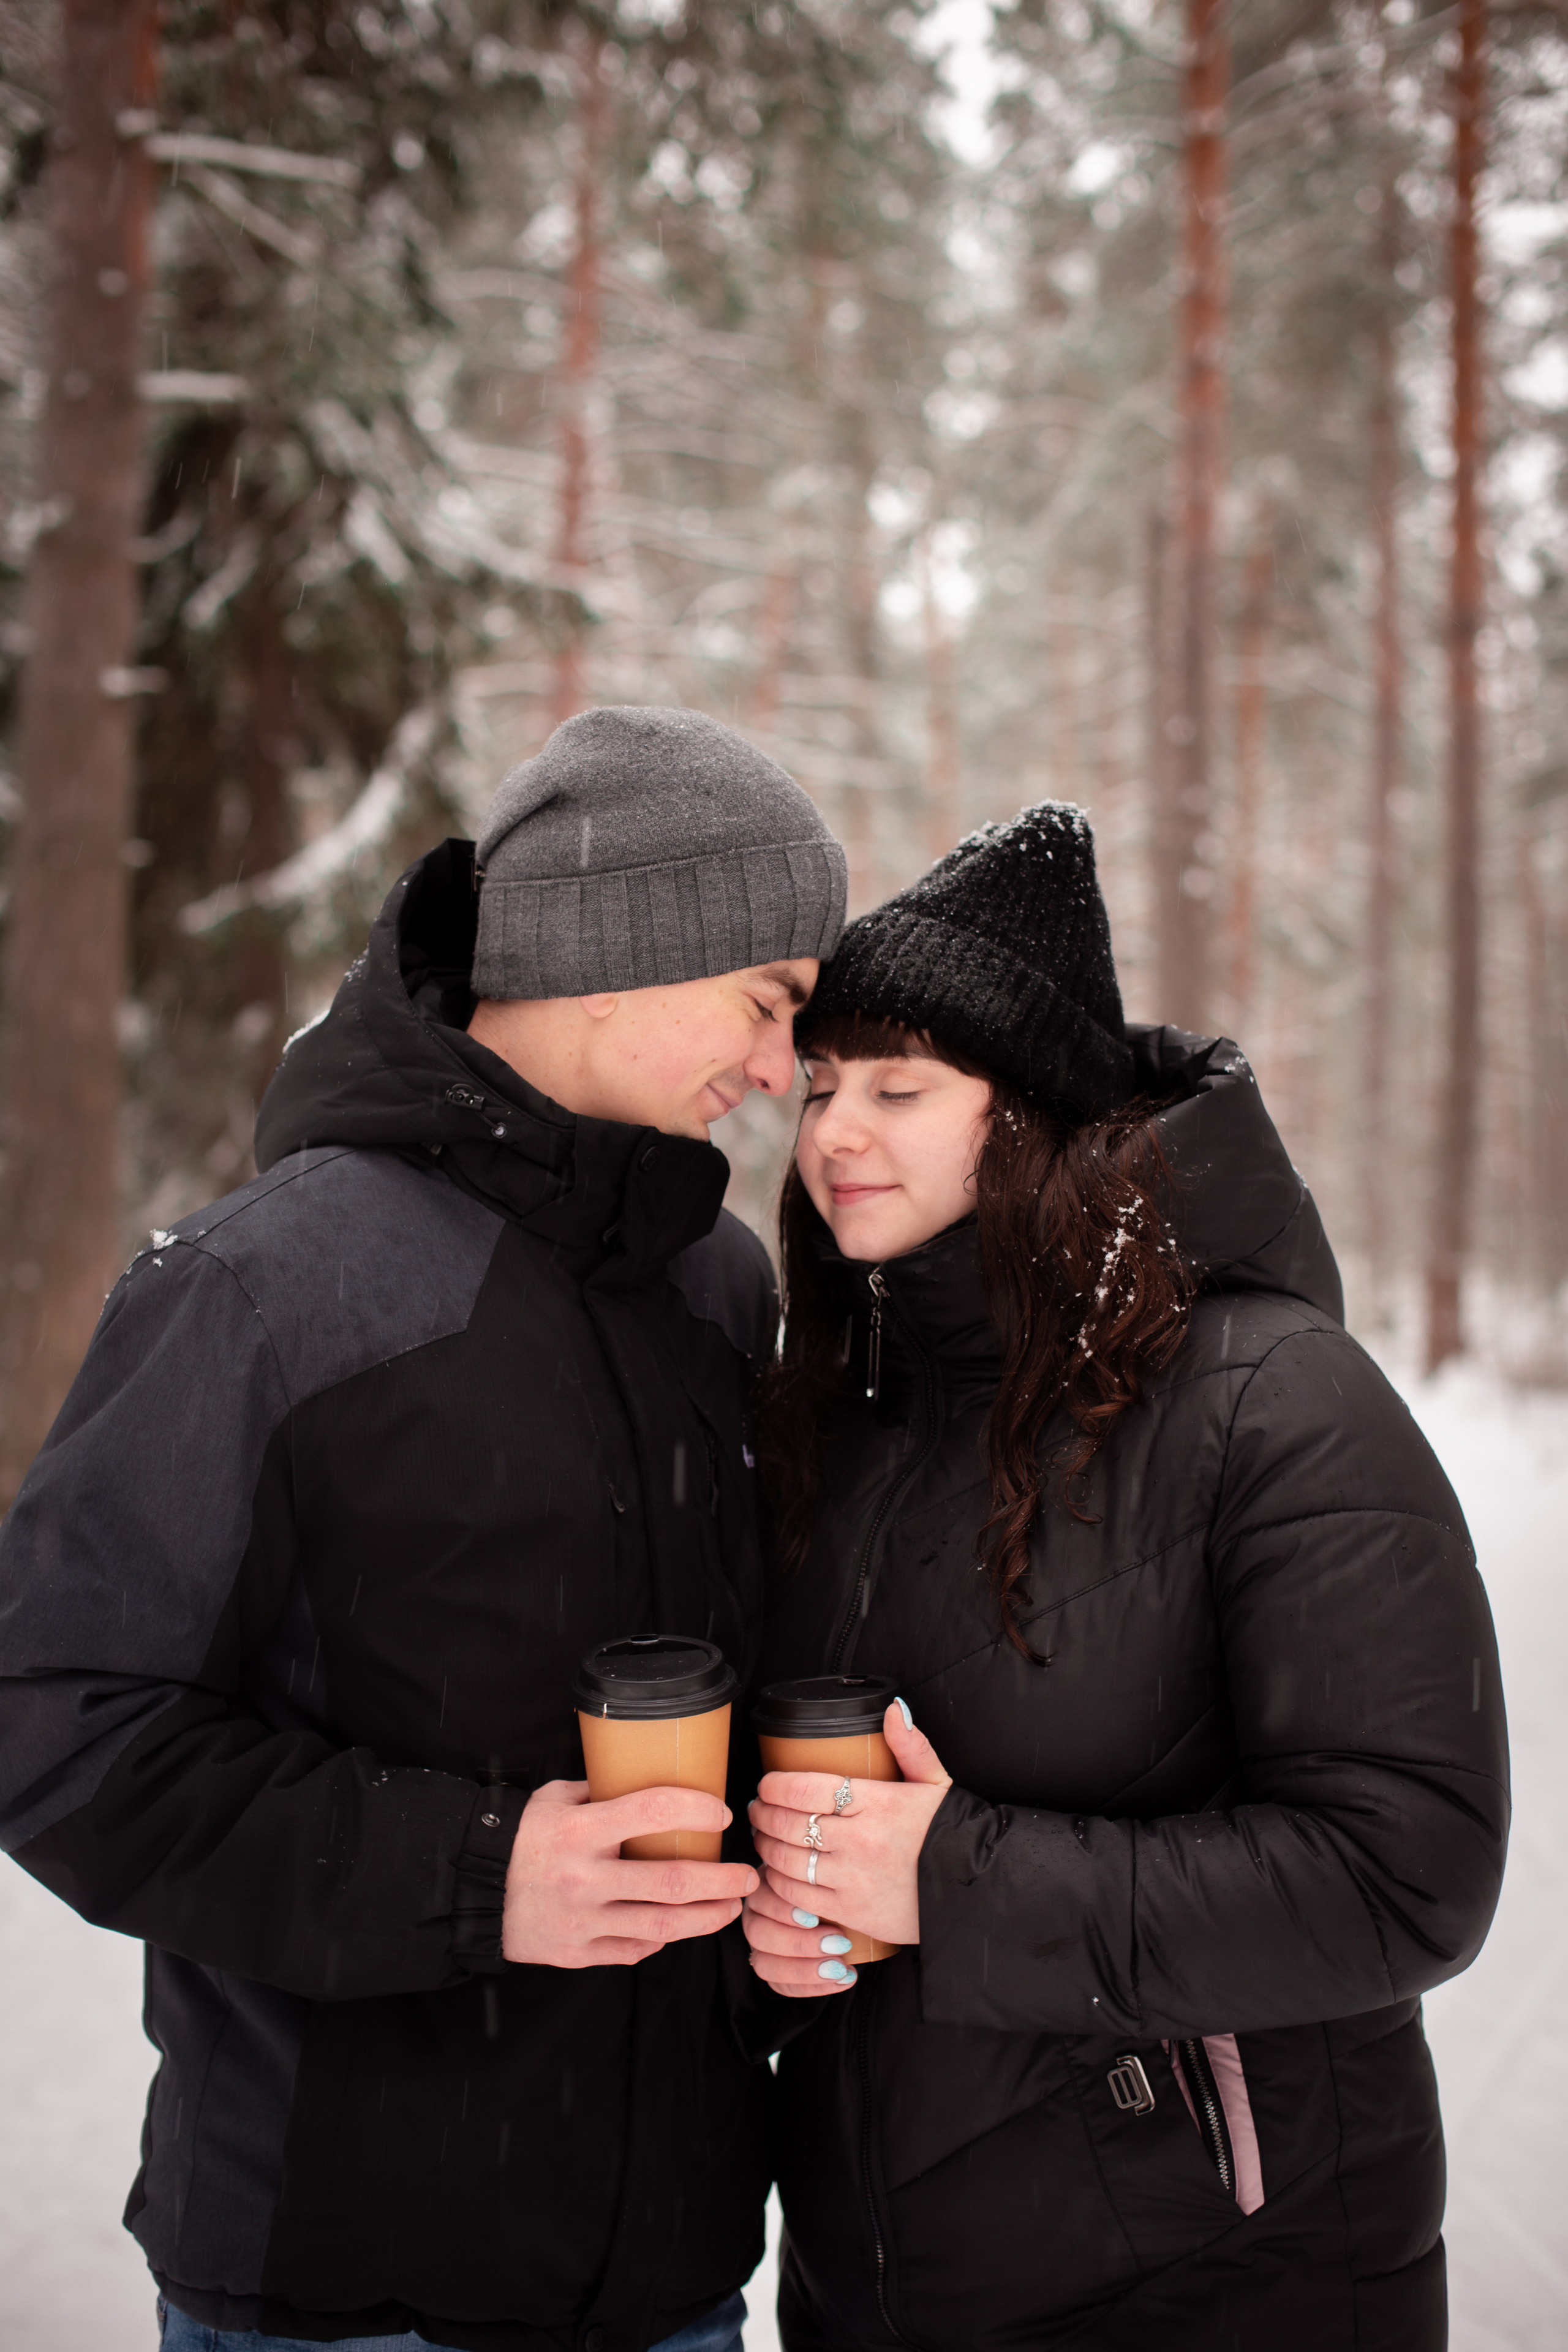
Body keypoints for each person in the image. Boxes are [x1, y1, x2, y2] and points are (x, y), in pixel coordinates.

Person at [0, 705, 847, 2352]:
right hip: (350, 2292)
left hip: (677, 2279)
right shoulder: (262, 1288)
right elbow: (59, 1722)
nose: (777, 1070)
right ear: (622, 948)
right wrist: (473, 1877)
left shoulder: (720, 1287)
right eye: (767, 1004)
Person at [740, 804, 1509, 2351]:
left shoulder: (1270, 1396)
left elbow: (1405, 1871)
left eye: (898, 1087)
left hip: (1217, 2285)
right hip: (874, 2281)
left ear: (1027, 1115)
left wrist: (947, 1885)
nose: (831, 1133)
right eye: (819, 1086)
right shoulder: (851, 1405)